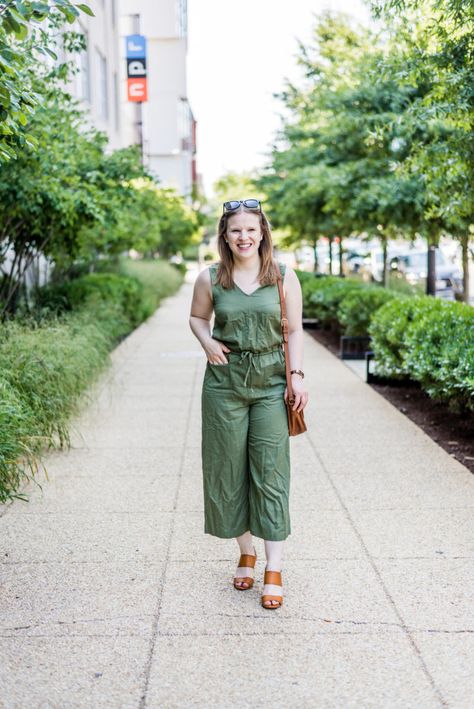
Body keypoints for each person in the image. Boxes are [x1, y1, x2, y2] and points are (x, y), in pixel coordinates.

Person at [189, 198, 308, 609]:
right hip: (224, 384)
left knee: (271, 470)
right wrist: (207, 342)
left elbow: (294, 332)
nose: (244, 237)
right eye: (236, 230)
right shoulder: (210, 278)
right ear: (225, 234)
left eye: (251, 230)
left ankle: (273, 567)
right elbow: (197, 319)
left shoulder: (283, 276)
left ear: (263, 234)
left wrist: (297, 376)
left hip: (272, 382)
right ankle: (245, 551)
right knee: (227, 469)